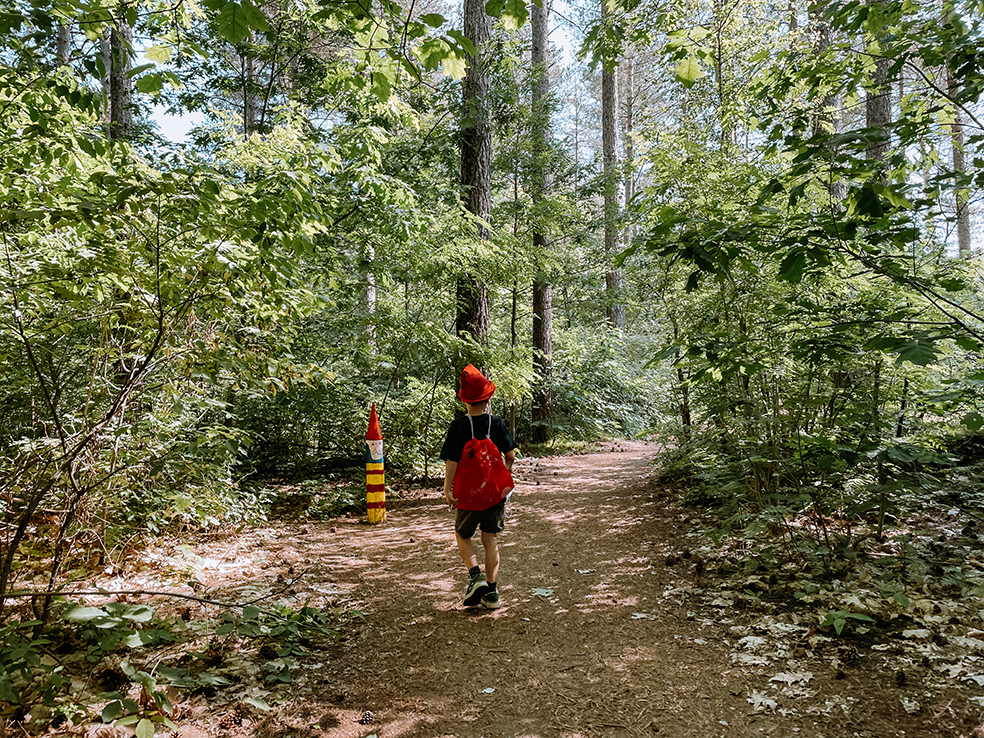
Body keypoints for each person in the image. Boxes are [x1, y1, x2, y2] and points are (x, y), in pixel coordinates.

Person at [441, 364, 517, 609]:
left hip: (469, 495)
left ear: (464, 400)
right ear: (487, 398)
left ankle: (476, 577)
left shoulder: (459, 426)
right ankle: (492, 593)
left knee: (462, 534)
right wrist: (503, 475)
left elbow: (452, 461)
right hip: (494, 494)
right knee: (490, 539)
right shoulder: (496, 423)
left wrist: (448, 489)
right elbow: (511, 456)